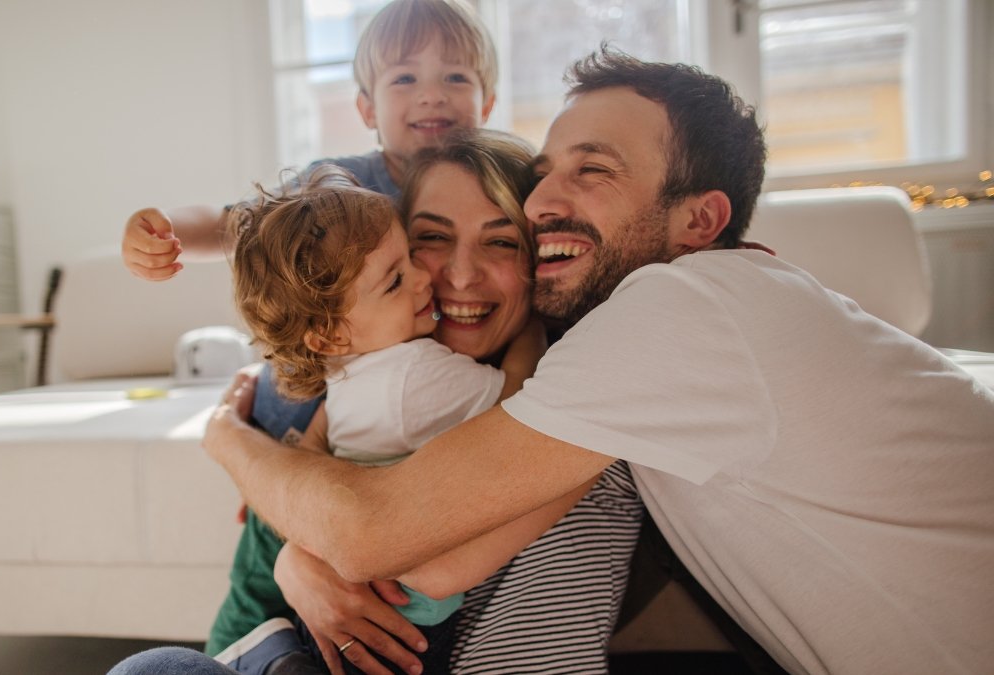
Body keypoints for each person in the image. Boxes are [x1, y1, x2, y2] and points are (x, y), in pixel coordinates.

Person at [202, 47, 994, 675]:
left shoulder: (682, 310)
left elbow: (392, 540)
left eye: (593, 170)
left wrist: (228, 440)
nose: (543, 200)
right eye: (545, 173)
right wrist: (303, 551)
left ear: (699, 220)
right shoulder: (661, 333)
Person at [109, 130, 642, 675]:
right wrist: (293, 540)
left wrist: (235, 446)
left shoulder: (576, 404)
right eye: (426, 242)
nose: (451, 277)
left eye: (502, 241)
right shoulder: (377, 366)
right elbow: (312, 463)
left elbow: (396, 549)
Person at [119, 0, 497, 280]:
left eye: (455, 78)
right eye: (404, 79)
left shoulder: (506, 184)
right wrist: (166, 229)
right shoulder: (334, 184)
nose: (431, 95)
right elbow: (234, 224)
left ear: (487, 106)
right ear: (368, 110)